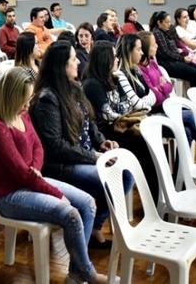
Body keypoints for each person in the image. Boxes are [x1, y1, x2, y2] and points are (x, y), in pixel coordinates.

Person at [0, 67, 109, 284]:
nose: (27, 104)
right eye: (24, 99)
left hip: (32, 181)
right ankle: (87, 272)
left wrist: (35, 169)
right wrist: (53, 191)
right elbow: (21, 175)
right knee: (70, 213)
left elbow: (38, 147)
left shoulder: (22, 115)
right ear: (11, 97)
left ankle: (76, 273)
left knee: (88, 203)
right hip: (9, 195)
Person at [30, 40, 128, 250]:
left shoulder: (74, 87)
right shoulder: (47, 98)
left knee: (125, 174)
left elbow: (89, 122)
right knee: (114, 178)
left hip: (83, 155)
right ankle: (86, 235)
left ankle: (94, 226)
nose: (77, 62)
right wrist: (94, 157)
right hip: (61, 165)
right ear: (61, 66)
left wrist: (102, 142)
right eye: (73, 59)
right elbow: (55, 146)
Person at [81, 40, 157, 198]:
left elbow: (129, 105)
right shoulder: (92, 85)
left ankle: (158, 195)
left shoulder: (114, 78)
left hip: (120, 127)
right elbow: (108, 115)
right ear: (105, 60)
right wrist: (122, 109)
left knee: (150, 142)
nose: (117, 59)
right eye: (114, 57)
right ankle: (154, 199)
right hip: (106, 134)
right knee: (144, 145)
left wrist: (121, 110)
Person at [137, 31, 196, 142]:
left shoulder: (152, 63)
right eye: (153, 44)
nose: (157, 45)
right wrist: (162, 87)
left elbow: (169, 86)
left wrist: (160, 88)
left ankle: (188, 158)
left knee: (188, 128)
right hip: (154, 112)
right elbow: (155, 98)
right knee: (190, 115)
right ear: (145, 48)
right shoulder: (141, 69)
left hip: (165, 106)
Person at [149, 11, 196, 91]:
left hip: (174, 60)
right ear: (159, 22)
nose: (169, 24)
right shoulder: (157, 33)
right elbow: (166, 53)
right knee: (195, 74)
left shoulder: (165, 31)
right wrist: (182, 59)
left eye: (170, 21)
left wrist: (183, 53)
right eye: (167, 22)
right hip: (166, 63)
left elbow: (176, 44)